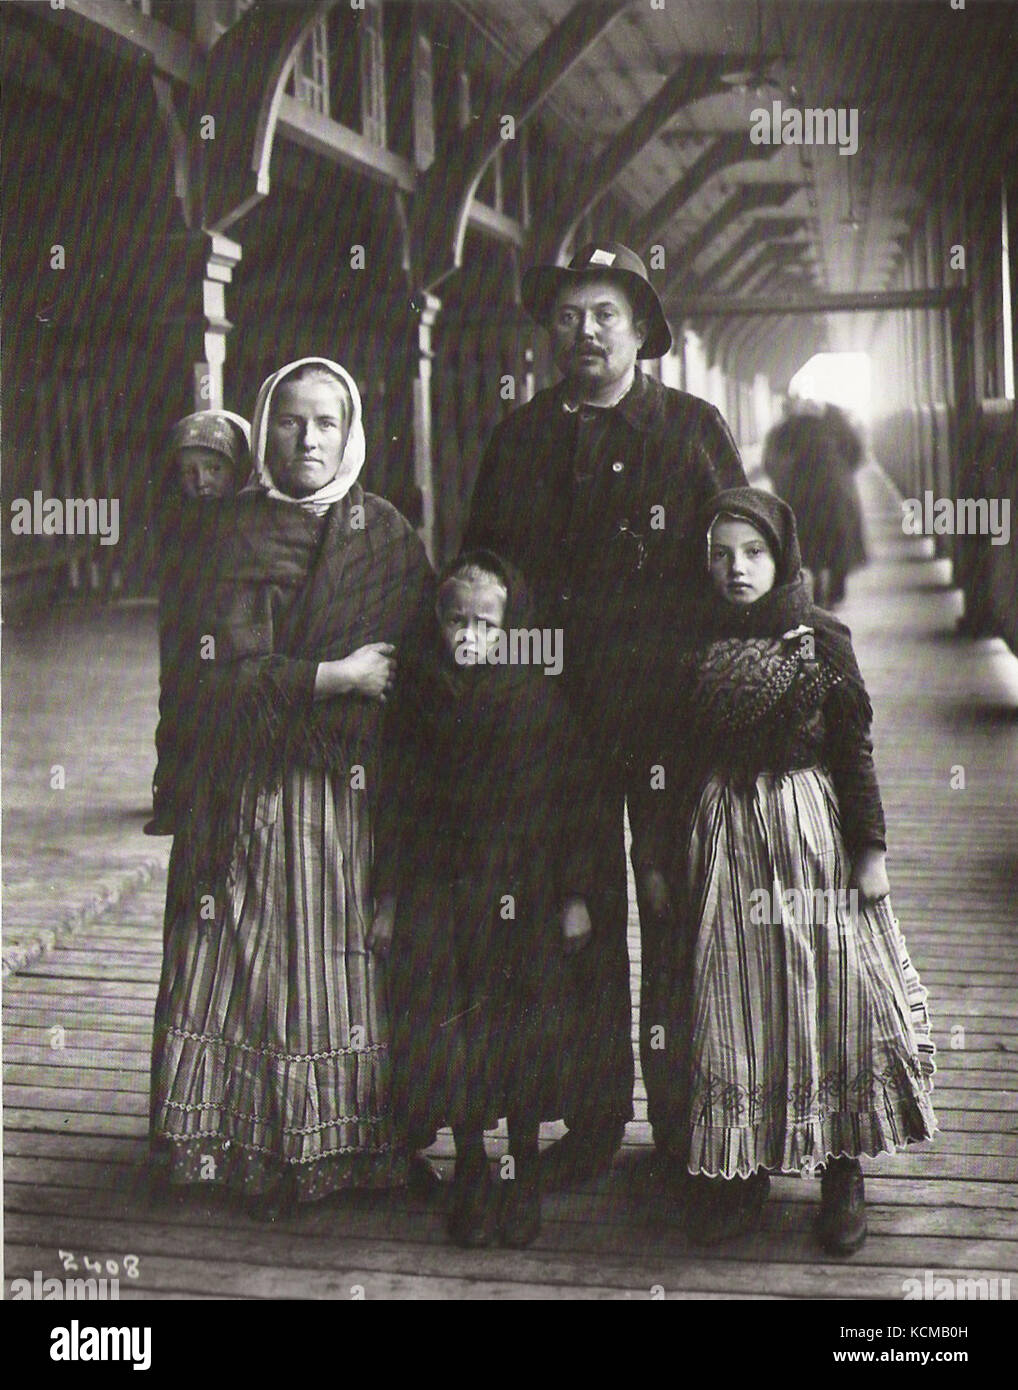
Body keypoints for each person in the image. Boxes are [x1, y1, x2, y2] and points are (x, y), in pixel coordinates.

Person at [464, 241, 747, 1188]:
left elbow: (738, 565)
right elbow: (484, 578)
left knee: (676, 909)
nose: (583, 332)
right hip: (555, 723)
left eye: (604, 316)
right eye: (568, 316)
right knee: (572, 916)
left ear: (639, 332)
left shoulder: (693, 429)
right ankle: (589, 1120)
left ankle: (682, 1123)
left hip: (669, 717)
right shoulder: (520, 438)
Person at [149, 357, 433, 1219]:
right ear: (264, 427)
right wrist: (332, 676)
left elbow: (418, 673)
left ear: (349, 437)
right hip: (247, 794)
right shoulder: (229, 534)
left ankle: (358, 1142)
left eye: (325, 424)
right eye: (289, 421)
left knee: (346, 967)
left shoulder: (385, 536)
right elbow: (208, 680)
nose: (306, 439)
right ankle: (236, 1140)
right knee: (248, 963)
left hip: (352, 796)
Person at [631, 487, 936, 1251]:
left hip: (805, 837)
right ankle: (743, 1172)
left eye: (754, 553)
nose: (737, 569)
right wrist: (657, 859)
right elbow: (663, 762)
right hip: (723, 838)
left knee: (826, 992)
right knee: (734, 1000)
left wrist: (869, 852)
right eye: (721, 555)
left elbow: (852, 753)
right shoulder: (688, 646)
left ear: (782, 554)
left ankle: (842, 1172)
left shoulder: (820, 639)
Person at [375, 550, 602, 1248]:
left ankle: (522, 1165)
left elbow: (573, 805)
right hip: (445, 889)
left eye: (486, 622)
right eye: (455, 620)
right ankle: (472, 1164)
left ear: (513, 627)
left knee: (523, 1022)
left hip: (524, 888)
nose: (469, 635)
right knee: (456, 1025)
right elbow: (397, 804)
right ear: (435, 623)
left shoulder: (539, 700)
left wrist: (574, 894)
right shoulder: (416, 701)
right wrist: (387, 899)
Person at [146, 410, 251, 836]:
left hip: (232, 635)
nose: (201, 481)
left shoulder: (251, 519)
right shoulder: (178, 522)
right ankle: (175, 794)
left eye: (213, 468)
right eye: (188, 471)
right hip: (187, 632)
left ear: (238, 470)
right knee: (178, 703)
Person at [764, 407, 866, 606]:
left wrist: (783, 484)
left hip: (802, 489)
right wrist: (844, 472)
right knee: (839, 537)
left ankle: (817, 587)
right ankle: (837, 588)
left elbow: (773, 460)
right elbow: (856, 452)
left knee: (810, 541)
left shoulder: (788, 426)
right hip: (835, 487)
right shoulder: (837, 422)